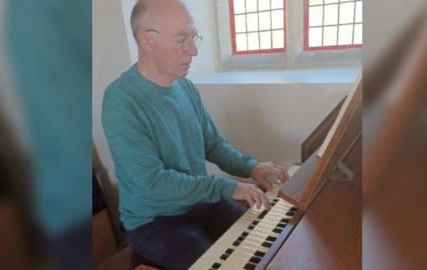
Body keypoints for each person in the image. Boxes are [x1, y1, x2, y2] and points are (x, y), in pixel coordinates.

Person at [102, 0, 288, 269]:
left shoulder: (185, 87)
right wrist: (226, 186)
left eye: (193, 38)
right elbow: (151, 183)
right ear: (146, 39)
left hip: (200, 203)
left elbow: (212, 144)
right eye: (182, 39)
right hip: (155, 222)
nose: (194, 50)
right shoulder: (121, 100)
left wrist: (251, 167)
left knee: (267, 238)